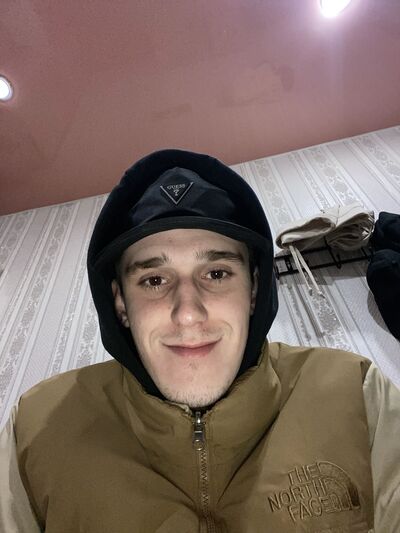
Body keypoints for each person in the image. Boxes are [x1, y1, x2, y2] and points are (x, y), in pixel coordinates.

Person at [0, 149, 399, 532]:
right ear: (120, 302)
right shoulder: (36, 430)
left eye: (217, 274)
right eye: (154, 280)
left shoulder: (356, 393)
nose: (188, 313)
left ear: (254, 289)